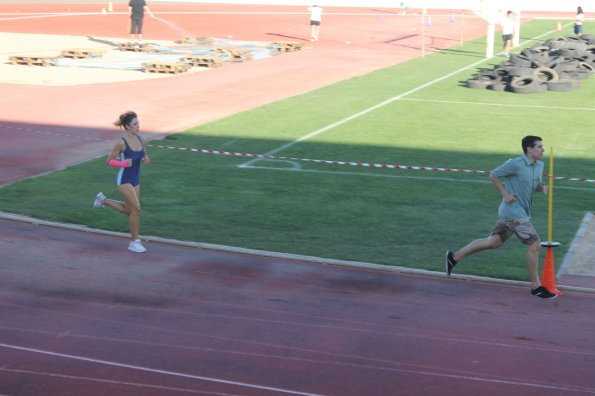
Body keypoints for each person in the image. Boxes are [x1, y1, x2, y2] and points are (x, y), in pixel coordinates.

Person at [445, 136, 557, 299]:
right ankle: (536, 286)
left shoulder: (539, 165)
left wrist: (541, 188)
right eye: (539, 147)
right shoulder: (515, 164)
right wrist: (505, 194)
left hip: (516, 213)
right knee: (535, 244)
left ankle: (453, 257)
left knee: (493, 242)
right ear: (529, 149)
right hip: (514, 213)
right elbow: (493, 175)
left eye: (542, 146)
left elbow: (533, 185)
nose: (543, 149)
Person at [94, 111, 151, 253]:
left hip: (136, 179)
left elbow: (144, 153)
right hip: (124, 179)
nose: (138, 126)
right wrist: (123, 163)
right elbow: (109, 161)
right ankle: (134, 242)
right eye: (135, 124)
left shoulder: (141, 139)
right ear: (127, 126)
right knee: (137, 208)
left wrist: (146, 158)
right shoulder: (121, 143)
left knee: (129, 210)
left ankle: (103, 200)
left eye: (138, 123)